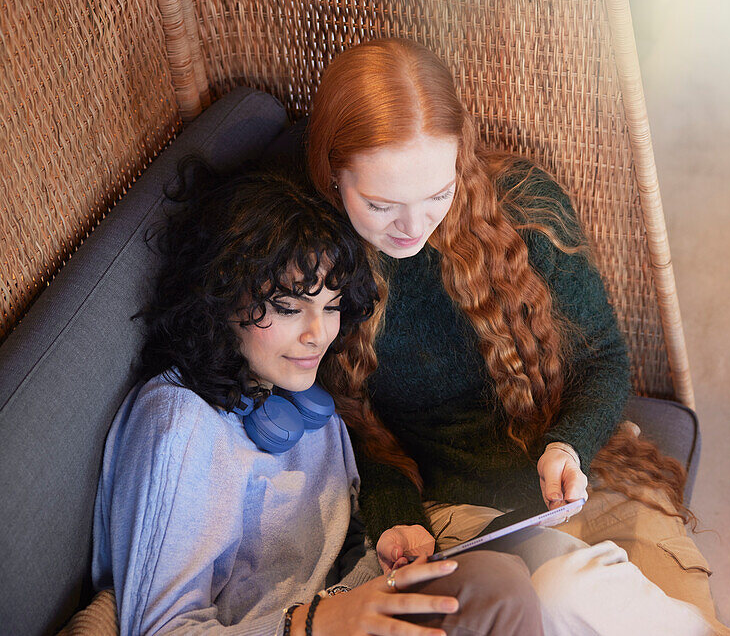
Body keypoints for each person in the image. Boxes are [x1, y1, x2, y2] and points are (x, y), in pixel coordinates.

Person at [304, 38, 730, 634]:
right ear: (332, 175)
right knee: (556, 595)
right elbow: (349, 434)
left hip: (587, 478)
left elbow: (605, 358)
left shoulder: (524, 209)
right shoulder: (314, 266)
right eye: (380, 205)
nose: (412, 227)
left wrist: (568, 445)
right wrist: (396, 519)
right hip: (464, 521)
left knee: (588, 595)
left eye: (437, 194)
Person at [91, 165, 542, 635]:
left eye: (330, 307)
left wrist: (384, 557)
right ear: (219, 299)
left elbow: (340, 547)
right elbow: (160, 628)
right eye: (288, 308)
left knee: (497, 581)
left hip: (338, 613)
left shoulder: (302, 399)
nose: (318, 334)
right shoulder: (179, 424)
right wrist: (313, 624)